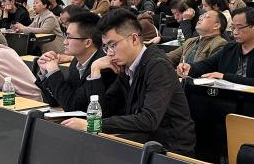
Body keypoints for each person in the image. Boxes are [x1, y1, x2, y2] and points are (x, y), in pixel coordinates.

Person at [60, 9, 196, 153]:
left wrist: (94, 125)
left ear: (134, 39)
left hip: (170, 149)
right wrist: (95, 70)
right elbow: (104, 110)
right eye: (106, 47)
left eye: (113, 45)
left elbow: (149, 119)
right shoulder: (126, 66)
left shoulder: (158, 66)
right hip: (143, 142)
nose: (110, 53)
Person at [181, 7, 254, 88]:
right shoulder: (229, 48)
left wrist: (225, 77)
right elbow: (208, 64)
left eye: (239, 27)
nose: (235, 32)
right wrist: (190, 67)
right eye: (233, 27)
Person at [37, 11, 112, 112]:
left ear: (87, 42)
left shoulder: (103, 67)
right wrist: (45, 72)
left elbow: (72, 106)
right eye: (65, 36)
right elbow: (54, 101)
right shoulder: (76, 62)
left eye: (69, 37)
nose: (64, 42)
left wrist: (53, 71)